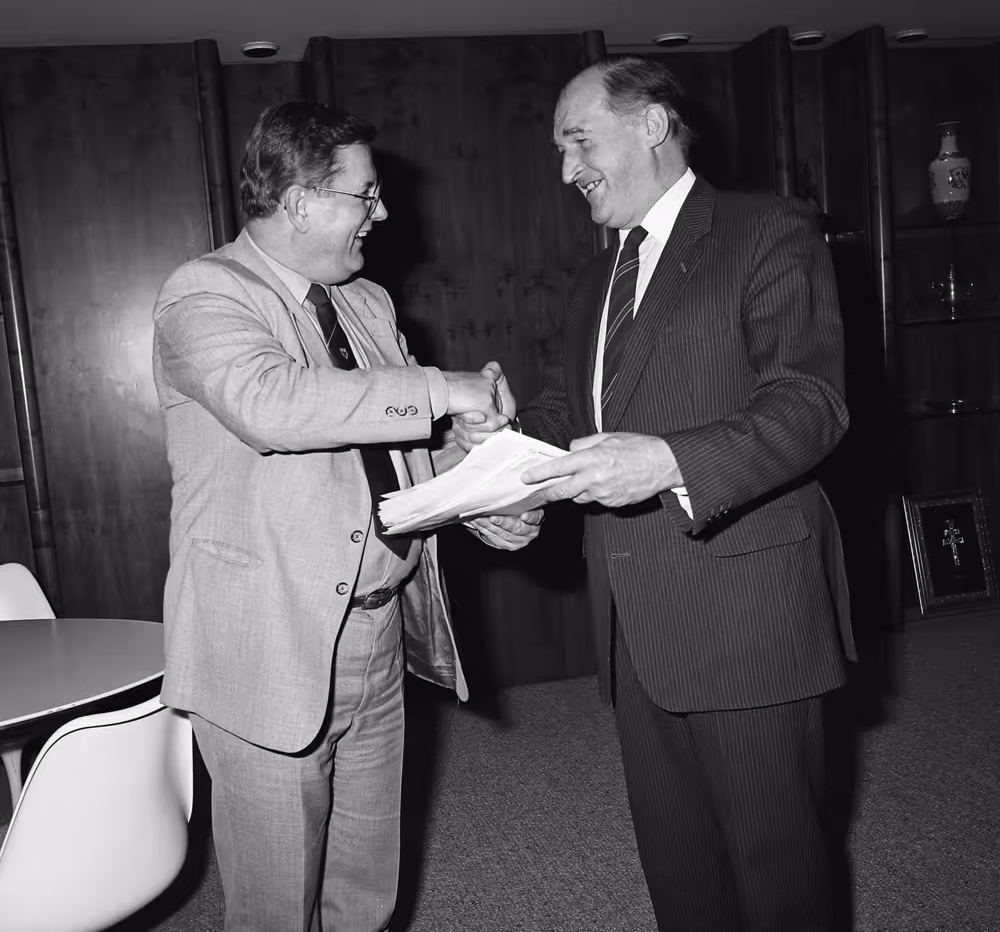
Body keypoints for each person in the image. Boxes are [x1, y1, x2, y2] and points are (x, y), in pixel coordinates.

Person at [457, 57, 856, 931]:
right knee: (680, 870)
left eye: (577, 141)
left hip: (749, 608)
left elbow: (810, 403)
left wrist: (671, 461)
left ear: (651, 124)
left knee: (777, 867)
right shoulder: (598, 276)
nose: (566, 171)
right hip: (635, 620)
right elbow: (580, 412)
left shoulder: (771, 230)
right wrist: (500, 452)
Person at [152, 101, 539, 932]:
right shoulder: (203, 293)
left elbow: (393, 453)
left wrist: (486, 490)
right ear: (297, 201)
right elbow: (274, 405)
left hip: (377, 632)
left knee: (366, 889)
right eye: (364, 195)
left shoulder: (364, 302)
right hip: (265, 642)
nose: (382, 213)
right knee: (275, 907)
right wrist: (442, 387)